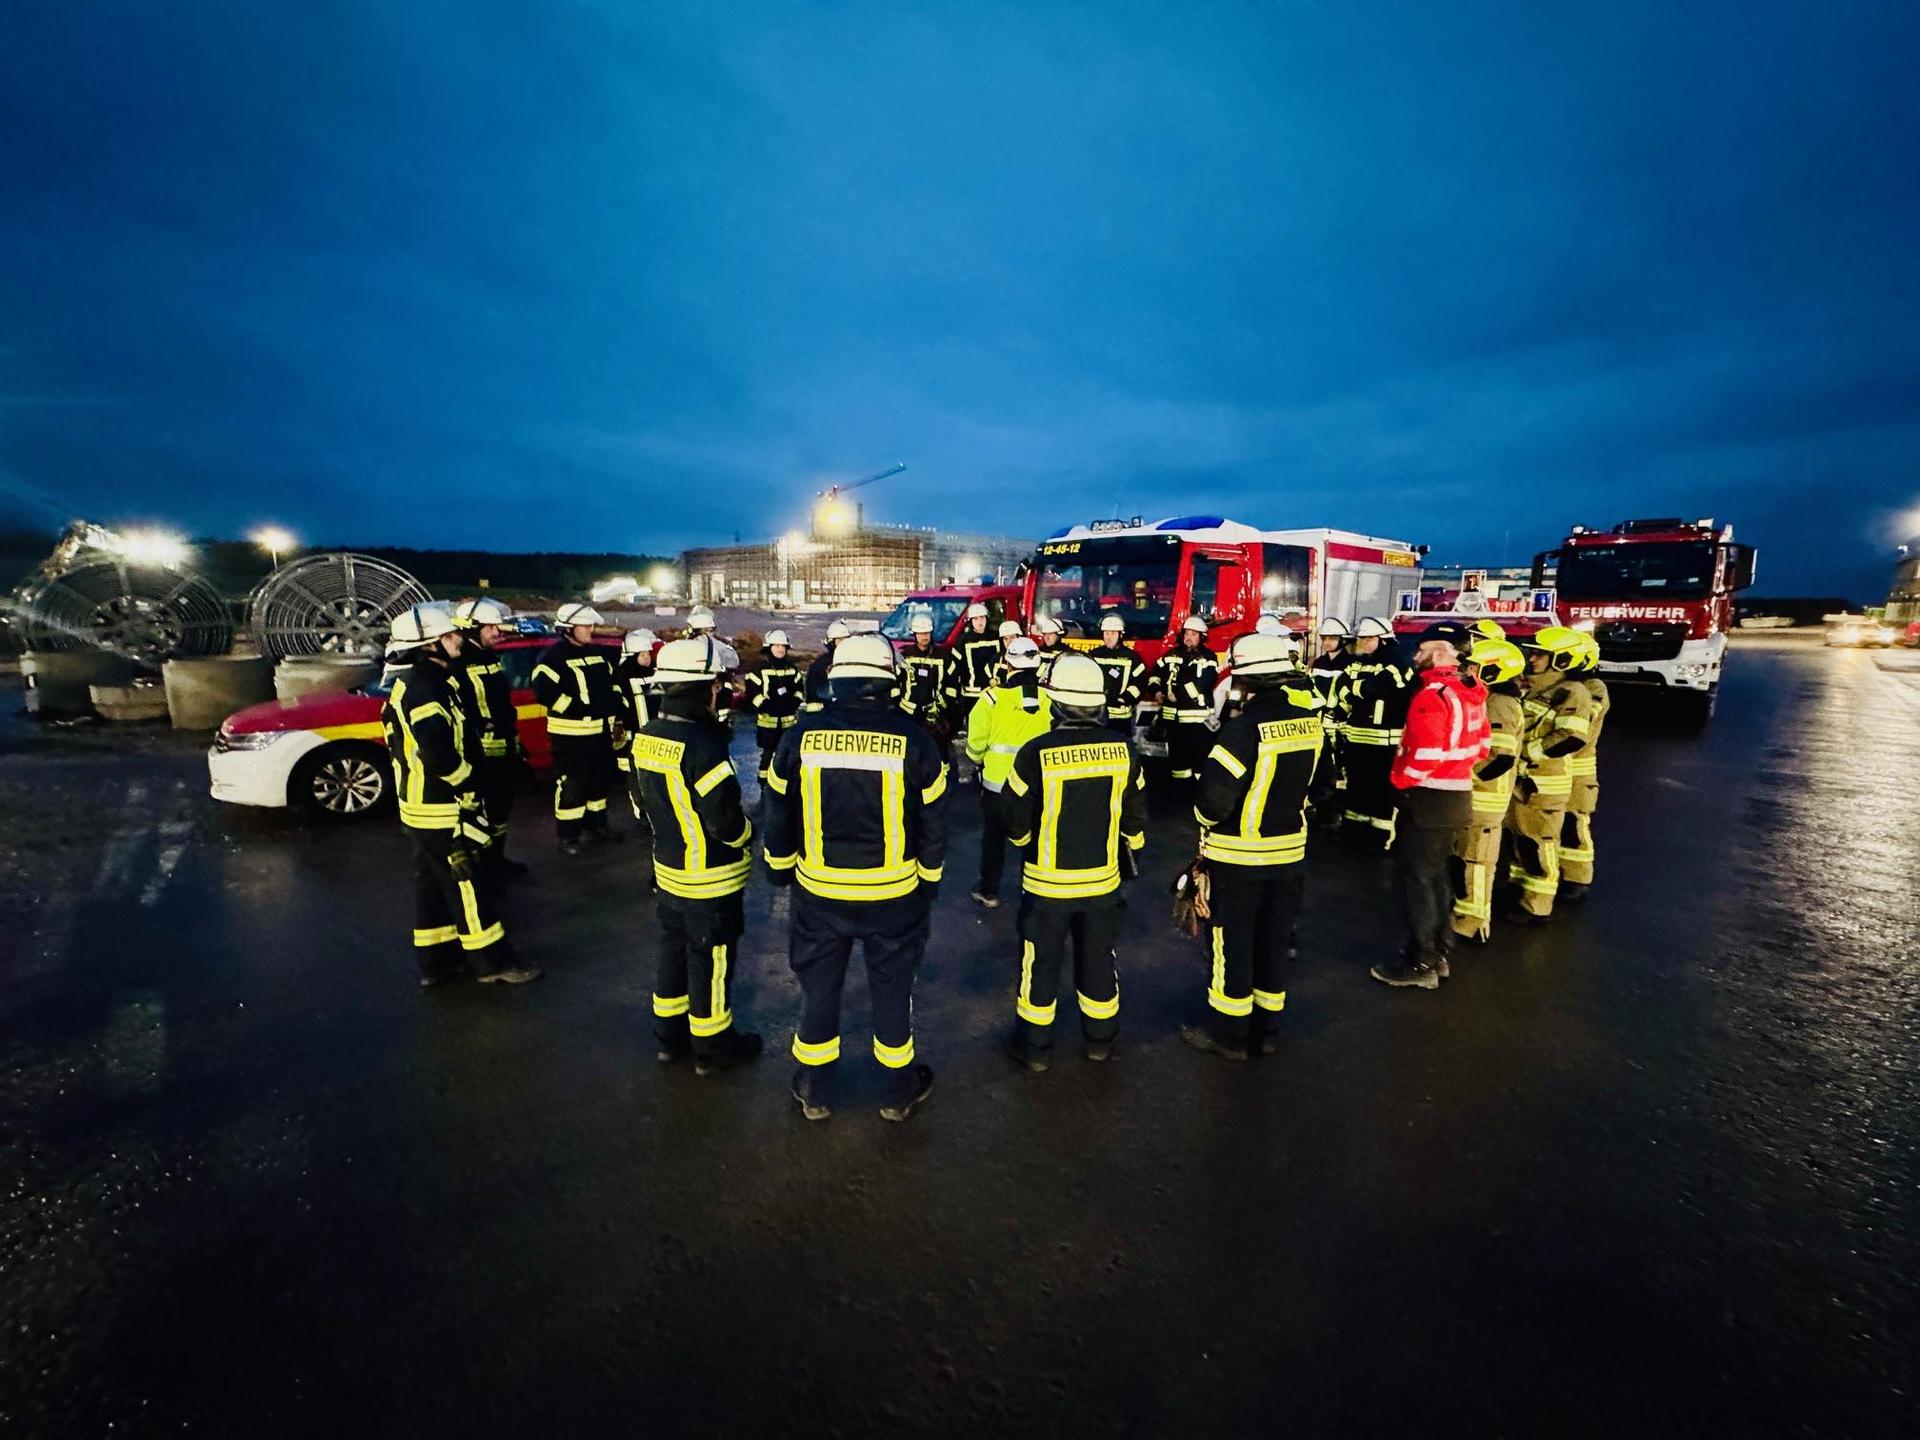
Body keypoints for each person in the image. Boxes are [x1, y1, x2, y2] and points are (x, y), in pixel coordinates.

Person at [762, 634, 947, 1123]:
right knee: (892, 992)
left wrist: (778, 868)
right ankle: (896, 1092)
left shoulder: (800, 736)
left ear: (835, 680)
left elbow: (777, 811)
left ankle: (815, 1088)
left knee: (819, 990)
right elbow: (934, 823)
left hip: (820, 893)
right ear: (889, 682)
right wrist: (928, 881)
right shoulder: (915, 740)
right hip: (895, 895)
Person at [995, 654, 1146, 1071]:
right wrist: (1130, 849)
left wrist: (1027, 843)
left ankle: (1036, 1048)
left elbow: (1013, 816)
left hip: (1048, 885)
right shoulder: (1123, 749)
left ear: (1056, 703)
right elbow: (1136, 816)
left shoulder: (1035, 752)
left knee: (1041, 963)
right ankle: (1100, 1041)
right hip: (1103, 883)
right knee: (1098, 959)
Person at [380, 604, 539, 987]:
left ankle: (436, 962)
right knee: (469, 882)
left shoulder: (421, 682)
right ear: (429, 644)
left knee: (433, 886)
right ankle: (493, 963)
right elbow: (439, 753)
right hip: (442, 808)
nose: (457, 640)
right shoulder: (425, 688)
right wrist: (469, 786)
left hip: (422, 808)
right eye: (449, 635)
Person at [1184, 633, 1323, 1059]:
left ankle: (1229, 1035)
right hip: (1289, 854)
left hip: (1238, 858)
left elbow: (1213, 802)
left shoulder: (1241, 731)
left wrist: (1203, 823)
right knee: (1273, 940)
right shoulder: (1311, 724)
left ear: (1247, 680)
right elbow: (1323, 785)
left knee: (1232, 943)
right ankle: (1266, 1029)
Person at [628, 637, 763, 1074]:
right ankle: (712, 1048)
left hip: (668, 872)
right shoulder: (704, 746)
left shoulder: (647, 737)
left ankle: (669, 1037)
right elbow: (726, 821)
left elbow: (638, 804)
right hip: (711, 878)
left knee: (674, 953)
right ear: (702, 688)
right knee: (712, 960)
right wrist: (748, 835)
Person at [1370, 623, 1489, 989]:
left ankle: (1421, 961)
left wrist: (1399, 784)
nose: (1416, 657)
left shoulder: (1431, 696)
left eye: (1421, 650)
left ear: (1439, 651)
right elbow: (1483, 746)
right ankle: (1439, 949)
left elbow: (1426, 754)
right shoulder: (1469, 694)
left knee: (1417, 882)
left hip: (1427, 799)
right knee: (1436, 878)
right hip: (1456, 797)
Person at [1504, 626, 1594, 924]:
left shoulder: (1573, 692)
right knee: (1521, 838)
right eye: (1533, 653)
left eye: (1540, 654)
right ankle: (1520, 891)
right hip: (1522, 780)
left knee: (1539, 842)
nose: (1533, 659)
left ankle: (1537, 904)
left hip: (1545, 782)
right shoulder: (1534, 686)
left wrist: (1528, 750)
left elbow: (1571, 737)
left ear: (1562, 660)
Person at [965, 637, 1053, 908]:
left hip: (997, 785)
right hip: (1035, 786)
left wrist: (977, 759)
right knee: (1035, 838)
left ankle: (988, 891)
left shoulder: (991, 698)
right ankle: (1034, 891)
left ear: (1007, 664)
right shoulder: (1049, 698)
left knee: (994, 839)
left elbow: (975, 743)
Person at [1449, 636, 1526, 945]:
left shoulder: (1500, 705)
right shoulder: (1487, 700)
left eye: (1473, 666)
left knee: (1476, 863)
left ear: (1493, 670)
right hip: (1473, 797)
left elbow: (1500, 758)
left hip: (1484, 799)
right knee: (1464, 859)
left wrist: (1461, 772)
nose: (1467, 670)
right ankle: (1463, 915)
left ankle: (1472, 923)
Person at [532, 602, 623, 855]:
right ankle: (568, 836)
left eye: (591, 625)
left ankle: (598, 825)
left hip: (599, 732)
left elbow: (612, 682)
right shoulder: (551, 658)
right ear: (568, 629)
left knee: (599, 781)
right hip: (570, 736)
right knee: (573, 785)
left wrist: (614, 705)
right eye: (585, 626)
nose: (591, 630)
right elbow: (544, 693)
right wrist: (580, 709)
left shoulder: (598, 652)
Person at [450, 597, 525, 878]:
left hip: (502, 749)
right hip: (478, 755)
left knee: (499, 811)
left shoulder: (489, 657)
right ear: (471, 629)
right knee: (478, 813)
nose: (497, 633)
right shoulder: (457, 664)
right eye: (490, 627)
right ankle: (481, 866)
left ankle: (496, 859)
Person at [1332, 615, 1411, 850]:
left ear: (1383, 639)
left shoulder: (1396, 662)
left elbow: (1374, 688)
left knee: (1380, 792)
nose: (1363, 643)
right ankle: (1355, 832)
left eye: (1368, 638)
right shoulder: (1359, 662)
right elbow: (1342, 686)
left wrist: (1357, 690)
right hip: (1357, 737)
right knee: (1357, 788)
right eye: (1362, 638)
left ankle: (1380, 839)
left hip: (1383, 742)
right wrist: (1359, 690)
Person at [1559, 632, 1609, 901]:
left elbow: (1581, 725)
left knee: (1574, 825)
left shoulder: (1593, 688)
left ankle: (1577, 877)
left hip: (1578, 770)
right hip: (1560, 771)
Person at [1149, 616, 1219, 785]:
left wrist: (1178, 692)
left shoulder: (1208, 658)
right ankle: (1180, 790)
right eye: (1187, 633)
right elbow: (1155, 676)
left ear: (1202, 637)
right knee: (1177, 757)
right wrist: (1157, 692)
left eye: (1194, 634)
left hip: (1198, 719)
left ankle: (1200, 790)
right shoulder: (1170, 655)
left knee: (1200, 756)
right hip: (1173, 718)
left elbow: (1205, 683)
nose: (1189, 637)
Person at [944, 602, 1003, 782]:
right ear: (971, 621)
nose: (980, 622)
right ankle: (977, 766)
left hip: (994, 693)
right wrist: (953, 692)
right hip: (971, 695)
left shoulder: (996, 638)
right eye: (976, 619)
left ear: (987, 619)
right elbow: (953, 668)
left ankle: (987, 764)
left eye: (982, 618)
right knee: (976, 732)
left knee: (994, 731)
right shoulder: (963, 641)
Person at [743, 629, 803, 779]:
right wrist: (766, 707)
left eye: (783, 646)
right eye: (776, 645)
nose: (780, 649)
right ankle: (764, 786)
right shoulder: (759, 669)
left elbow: (799, 689)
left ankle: (789, 786)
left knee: (790, 756)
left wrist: (794, 703)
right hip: (767, 723)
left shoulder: (791, 669)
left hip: (788, 723)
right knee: (767, 757)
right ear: (769, 647)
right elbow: (752, 692)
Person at [614, 627, 657, 822]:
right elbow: (620, 708)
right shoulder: (621, 677)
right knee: (635, 776)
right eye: (643, 654)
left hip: (654, 734)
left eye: (648, 653)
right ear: (631, 656)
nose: (647, 658)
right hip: (634, 736)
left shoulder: (654, 673)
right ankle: (641, 810)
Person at [1086, 611, 1147, 736]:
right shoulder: (1094, 655)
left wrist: (1126, 698)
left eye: (1113, 633)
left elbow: (1141, 682)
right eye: (1106, 633)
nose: (1109, 637)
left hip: (1121, 717)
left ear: (1121, 635)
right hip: (1096, 714)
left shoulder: (1132, 657)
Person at [898, 611, 951, 735]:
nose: (924, 636)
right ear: (914, 634)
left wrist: (940, 709)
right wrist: (899, 707)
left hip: (934, 715)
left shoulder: (942, 656)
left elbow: (951, 685)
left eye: (927, 633)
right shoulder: (905, 657)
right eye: (920, 633)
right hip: (908, 714)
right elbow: (896, 684)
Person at [803, 618, 852, 713]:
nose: (844, 643)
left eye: (846, 639)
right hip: (826, 713)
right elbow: (813, 691)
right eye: (840, 639)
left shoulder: (853, 660)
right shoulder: (821, 665)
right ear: (831, 642)